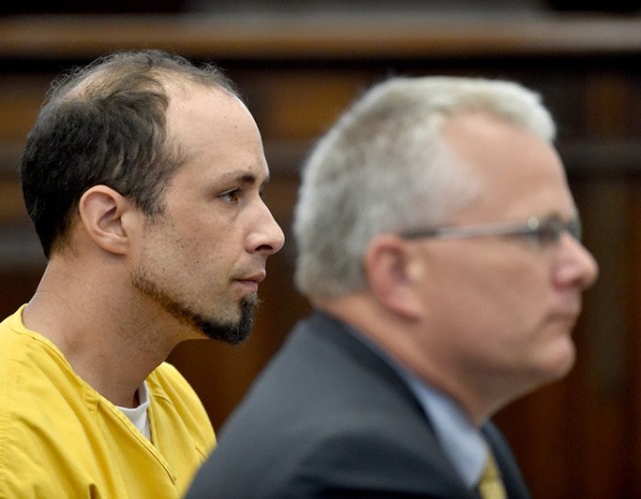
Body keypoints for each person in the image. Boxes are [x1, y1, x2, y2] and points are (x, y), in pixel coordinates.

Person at [186, 76, 599, 498]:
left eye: (570, 231)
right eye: (538, 234)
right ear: (398, 273)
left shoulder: (442, 429)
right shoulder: (351, 466)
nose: (582, 266)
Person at [0, 49, 284, 497]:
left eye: (259, 193)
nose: (271, 234)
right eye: (231, 194)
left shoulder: (167, 395)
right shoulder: (3, 455)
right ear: (110, 220)